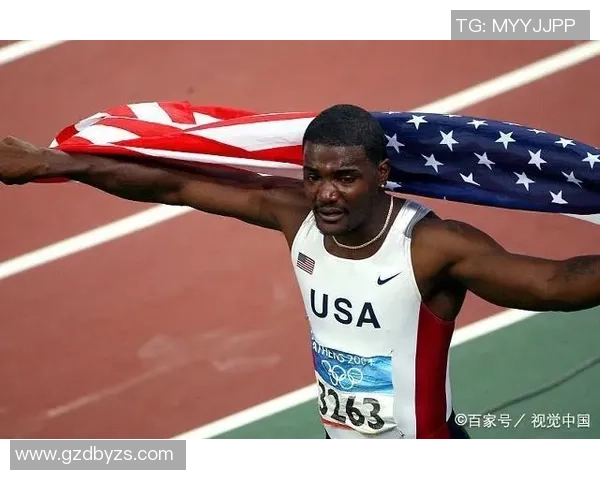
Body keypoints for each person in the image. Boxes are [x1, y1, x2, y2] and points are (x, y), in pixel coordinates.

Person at [1, 104, 599, 439]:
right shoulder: (298, 218)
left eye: (346, 177)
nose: (326, 193)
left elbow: (554, 284)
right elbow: (173, 183)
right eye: (314, 176)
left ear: (381, 174)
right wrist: (55, 164)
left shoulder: (431, 246)